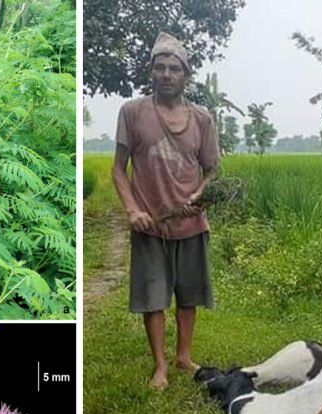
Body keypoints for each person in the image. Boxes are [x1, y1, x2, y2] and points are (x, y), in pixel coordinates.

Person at [112, 32, 220, 389]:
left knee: (188, 294)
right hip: (151, 224)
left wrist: (200, 194)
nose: (167, 74)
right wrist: (132, 211)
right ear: (151, 71)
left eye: (174, 68)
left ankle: (184, 355)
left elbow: (211, 169)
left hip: (190, 223)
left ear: (186, 74)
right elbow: (118, 169)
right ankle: (160, 365)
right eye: (160, 67)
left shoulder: (202, 119)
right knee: (153, 297)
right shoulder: (132, 113)